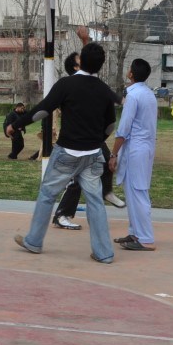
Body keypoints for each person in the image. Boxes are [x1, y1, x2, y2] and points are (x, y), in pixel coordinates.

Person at [11, 41, 118, 263]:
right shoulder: (104, 90)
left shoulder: (66, 84)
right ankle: (104, 253)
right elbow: (110, 125)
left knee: (47, 194)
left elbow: (42, 110)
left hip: (66, 153)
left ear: (81, 62)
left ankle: (34, 241)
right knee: (95, 202)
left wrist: (17, 124)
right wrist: (97, 140)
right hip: (93, 155)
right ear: (100, 65)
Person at [49, 51, 125, 230]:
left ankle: (107, 191)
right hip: (76, 141)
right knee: (76, 180)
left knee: (106, 160)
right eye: (80, 60)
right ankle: (62, 215)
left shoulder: (90, 81)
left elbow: (92, 57)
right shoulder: (72, 85)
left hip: (94, 138)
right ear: (76, 67)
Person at [110, 59, 159, 251]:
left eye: (129, 68)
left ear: (131, 74)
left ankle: (145, 238)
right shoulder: (148, 94)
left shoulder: (133, 96)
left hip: (136, 150)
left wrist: (113, 154)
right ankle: (135, 233)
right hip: (144, 148)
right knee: (133, 192)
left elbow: (123, 129)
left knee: (138, 192)